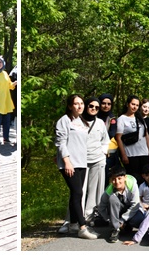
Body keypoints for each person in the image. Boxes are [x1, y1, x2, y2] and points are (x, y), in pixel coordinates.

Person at [55, 94, 98, 239]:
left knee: (75, 193)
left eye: (81, 103)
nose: (80, 106)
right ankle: (82, 227)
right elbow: (61, 143)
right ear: (69, 106)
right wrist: (67, 162)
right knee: (78, 193)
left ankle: (72, 223)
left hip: (81, 163)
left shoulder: (82, 122)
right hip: (69, 163)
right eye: (76, 104)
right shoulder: (64, 121)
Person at [99, 167, 145, 243]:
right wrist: (109, 220)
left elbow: (135, 205)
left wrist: (122, 220)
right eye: (114, 179)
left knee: (138, 220)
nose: (117, 182)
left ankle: (126, 225)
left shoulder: (132, 184)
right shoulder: (109, 190)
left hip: (131, 210)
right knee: (112, 199)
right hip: (117, 211)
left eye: (119, 178)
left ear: (125, 177)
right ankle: (115, 229)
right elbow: (101, 208)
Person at [115, 96, 149, 183]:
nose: (134, 107)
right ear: (128, 104)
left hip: (143, 153)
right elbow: (118, 138)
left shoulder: (140, 118)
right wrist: (123, 155)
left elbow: (146, 135)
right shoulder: (121, 119)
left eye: (137, 105)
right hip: (131, 154)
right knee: (133, 179)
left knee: (145, 178)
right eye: (133, 104)